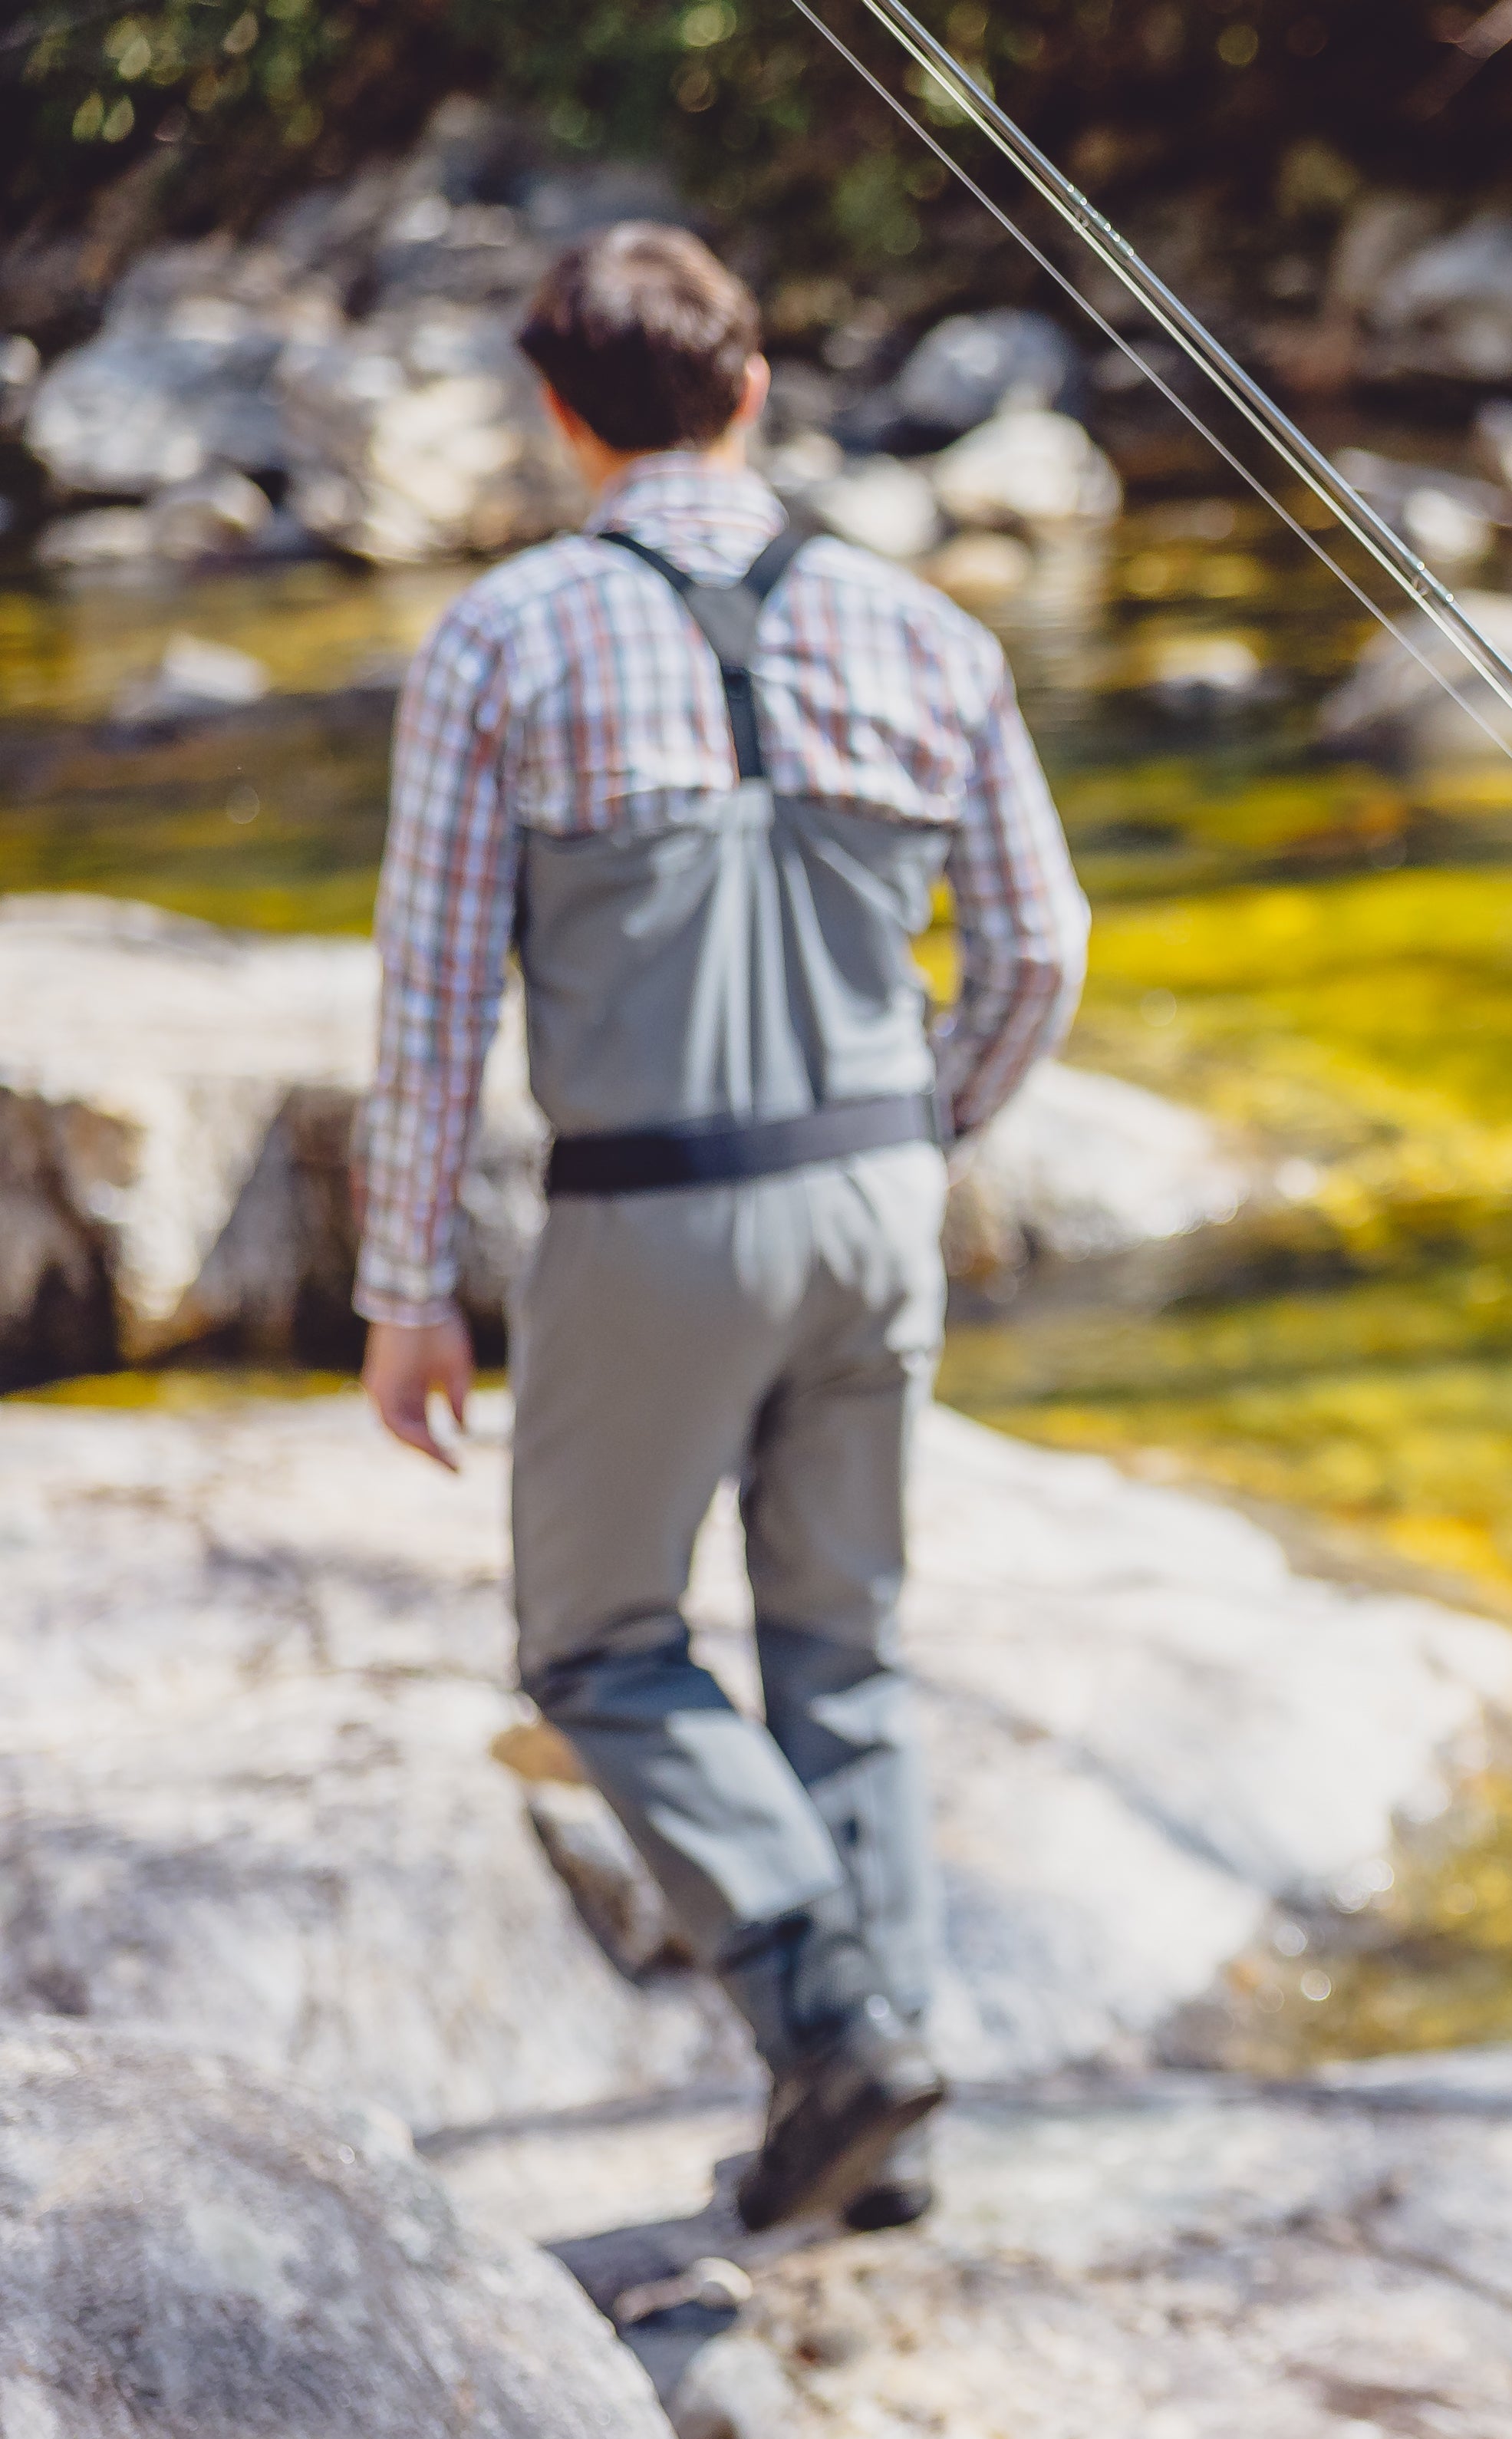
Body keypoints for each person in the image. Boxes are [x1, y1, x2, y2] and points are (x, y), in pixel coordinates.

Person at [354, 223, 1089, 2235]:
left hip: (653, 1218)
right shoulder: (928, 630)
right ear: (755, 392)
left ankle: (825, 2009)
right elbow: (1043, 945)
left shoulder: (503, 638)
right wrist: (926, 1126)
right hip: (875, 1197)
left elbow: (431, 1007)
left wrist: (406, 1287)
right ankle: (893, 2126)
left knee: (596, 1645)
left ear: (562, 419)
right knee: (842, 1653)